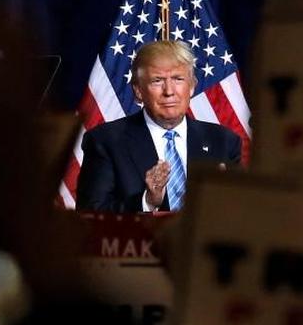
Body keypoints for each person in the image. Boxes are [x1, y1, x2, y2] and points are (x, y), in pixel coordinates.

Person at [76, 40, 241, 213]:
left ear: (191, 87)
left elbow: (244, 212)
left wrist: (225, 197)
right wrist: (147, 201)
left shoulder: (224, 142)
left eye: (178, 79)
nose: (169, 91)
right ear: (138, 90)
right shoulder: (106, 142)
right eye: (157, 80)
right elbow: (91, 213)